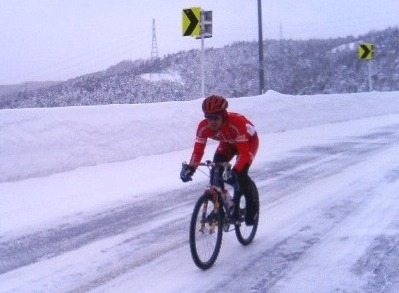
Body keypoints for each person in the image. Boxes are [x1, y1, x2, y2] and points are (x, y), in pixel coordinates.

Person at [180, 94, 259, 225]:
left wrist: (236, 170)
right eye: (208, 117)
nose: (211, 121)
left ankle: (252, 209)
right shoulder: (203, 127)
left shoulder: (236, 123)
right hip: (227, 143)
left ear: (223, 115)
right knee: (215, 172)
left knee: (240, 174)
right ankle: (221, 209)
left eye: (215, 117)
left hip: (248, 142)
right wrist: (191, 168)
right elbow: (198, 150)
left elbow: (244, 154)